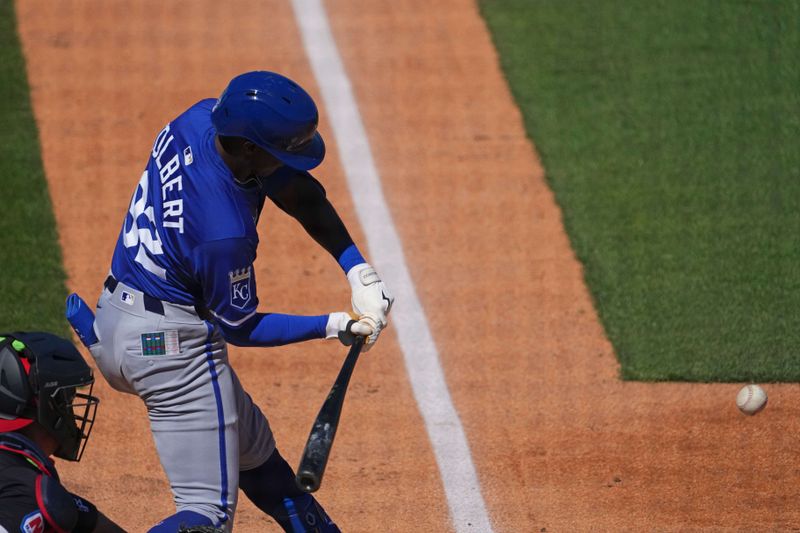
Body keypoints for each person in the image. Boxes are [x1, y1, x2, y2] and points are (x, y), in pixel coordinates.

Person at [67, 71, 394, 532]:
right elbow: (241, 328)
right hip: (172, 356)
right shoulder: (223, 230)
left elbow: (297, 191)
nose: (291, 163)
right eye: (282, 153)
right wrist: (335, 324)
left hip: (118, 323)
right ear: (248, 148)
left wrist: (358, 269)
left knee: (255, 455)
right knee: (207, 518)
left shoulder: (199, 119)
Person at [0, 331, 125, 532]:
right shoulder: (24, 493)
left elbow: (87, 521)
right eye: (66, 401)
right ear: (45, 406)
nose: (69, 412)